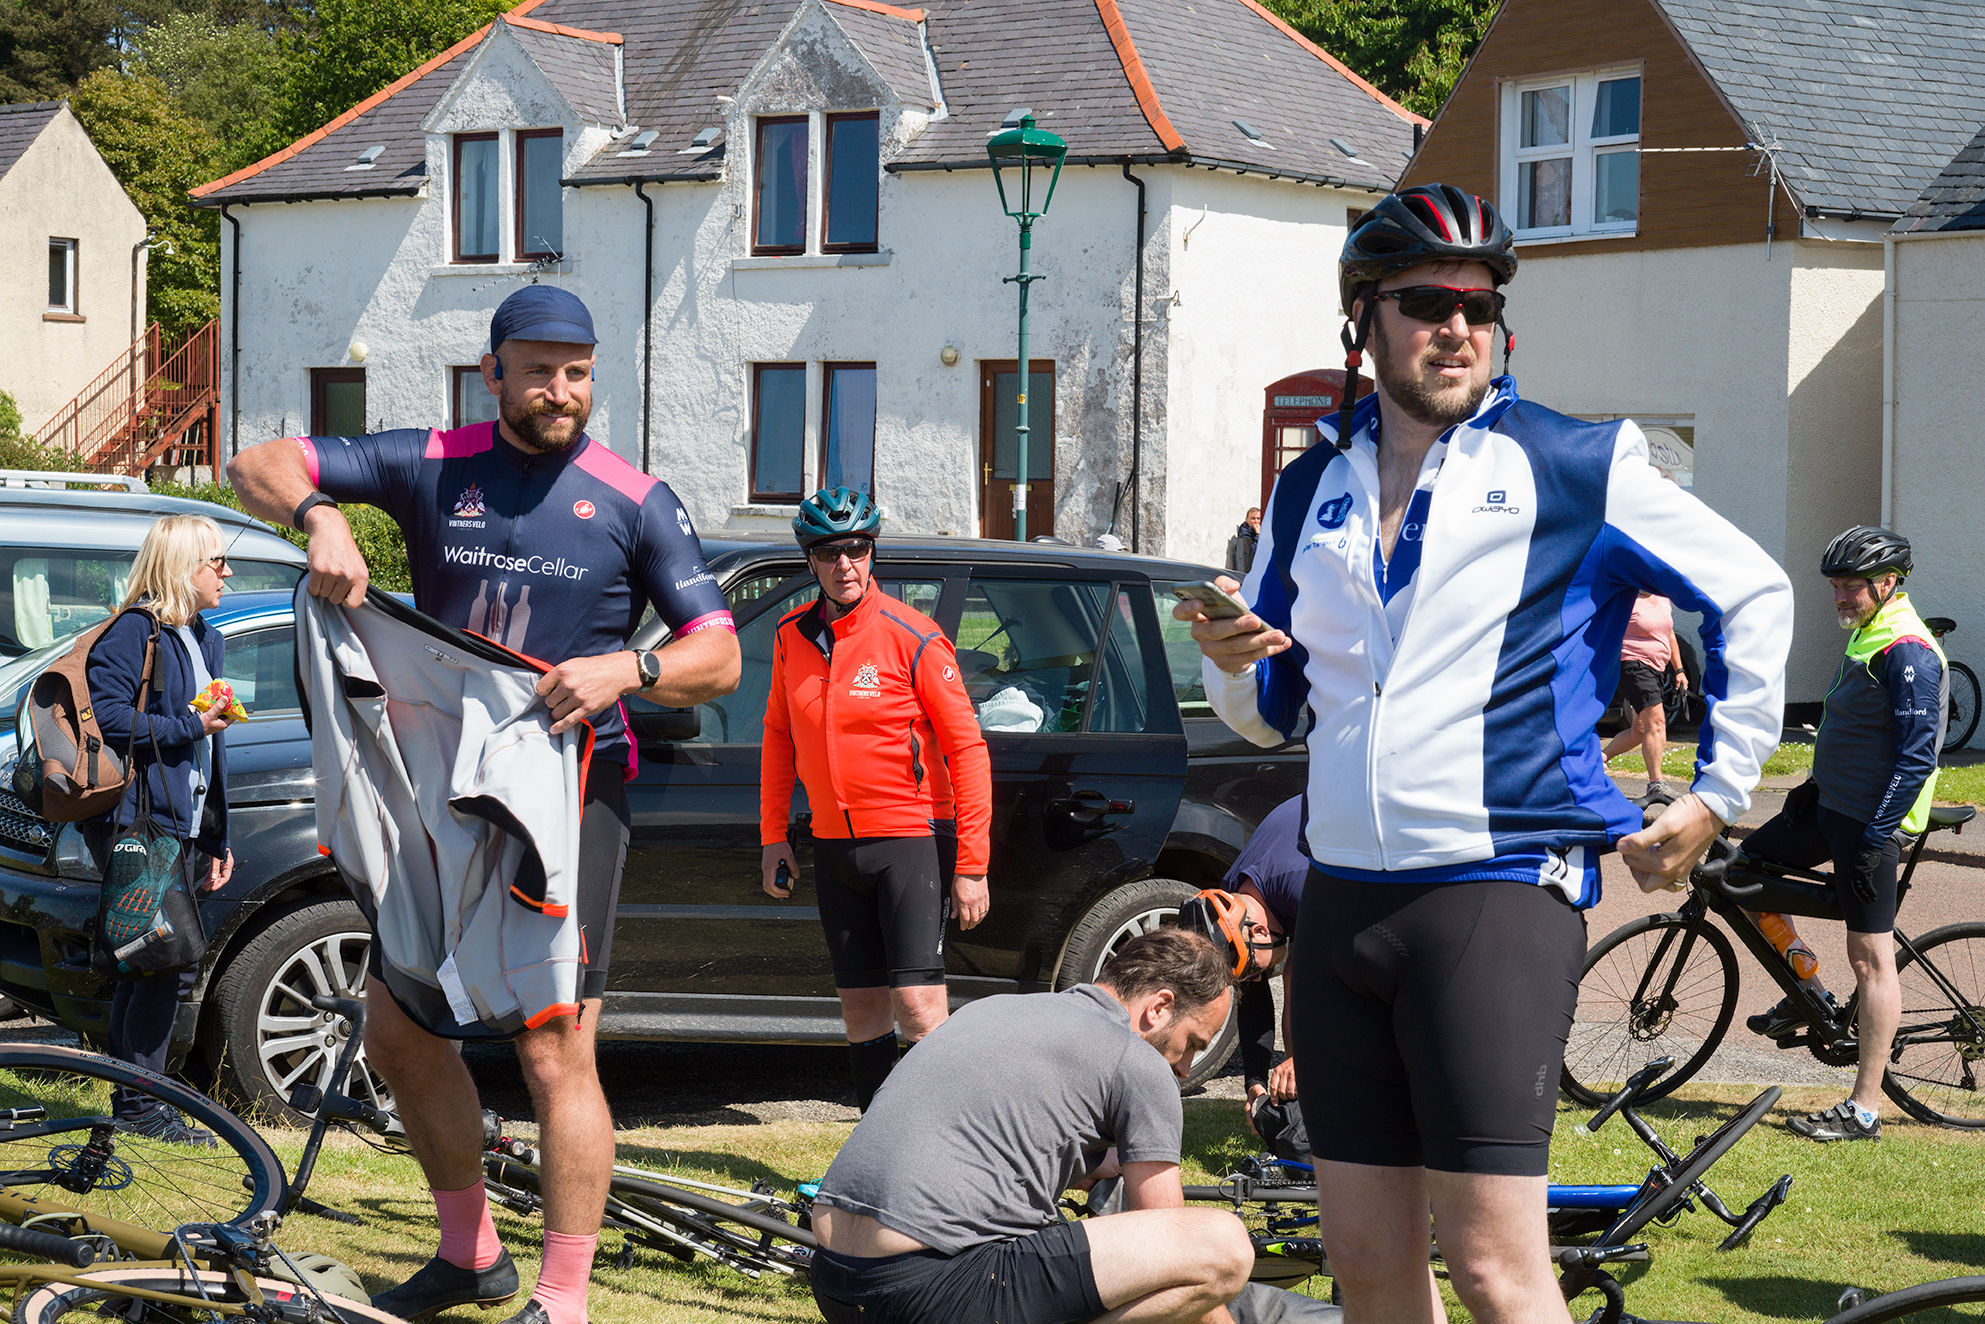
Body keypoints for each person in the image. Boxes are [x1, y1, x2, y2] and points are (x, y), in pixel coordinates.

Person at [1177, 183, 1793, 1323]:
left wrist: (1717, 789)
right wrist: (1225, 655)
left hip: (1494, 894)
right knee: (1363, 1266)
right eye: (1425, 301)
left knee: (1496, 1268)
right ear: (1361, 318)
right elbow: (1267, 710)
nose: (1457, 324)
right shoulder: (1309, 485)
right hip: (1342, 902)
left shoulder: (1573, 461)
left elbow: (1756, 591)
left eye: (1479, 303)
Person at [226, 285, 742, 1324]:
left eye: (579, 371)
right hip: (444, 786)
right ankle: (470, 1256)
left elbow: (719, 655)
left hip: (573, 789)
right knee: (400, 1032)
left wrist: (625, 668)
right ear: (493, 369)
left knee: (553, 1044)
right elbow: (255, 463)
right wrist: (321, 517)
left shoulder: (635, 497)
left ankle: (562, 1299)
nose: (561, 390)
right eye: (541, 369)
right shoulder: (434, 461)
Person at [808, 927, 1252, 1324]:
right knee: (1222, 1246)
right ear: (1159, 1007)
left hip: (832, 1279)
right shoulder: (1137, 1060)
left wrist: (1094, 1166)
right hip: (929, 1290)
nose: (1187, 1066)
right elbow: (1168, 1237)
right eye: (1192, 1043)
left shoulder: (994, 1010)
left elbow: (995, 1138)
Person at [760, 487, 992, 1111]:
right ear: (811, 560)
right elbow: (778, 736)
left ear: (872, 552)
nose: (846, 565)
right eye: (831, 552)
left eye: (858, 549)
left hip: (911, 840)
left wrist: (971, 866)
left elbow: (968, 751)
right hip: (835, 844)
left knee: (918, 1006)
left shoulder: (913, 635)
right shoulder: (790, 636)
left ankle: (942, 1149)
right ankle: (876, 1144)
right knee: (861, 1007)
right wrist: (773, 835)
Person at [1739, 526, 1943, 1143]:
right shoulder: (1868, 632)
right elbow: (1853, 730)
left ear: (1887, 583)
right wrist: (1812, 784)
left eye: (1850, 587)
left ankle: (1864, 1109)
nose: (1839, 597)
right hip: (1831, 807)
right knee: (1742, 875)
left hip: (1871, 825)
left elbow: (1916, 760)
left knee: (1872, 958)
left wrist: (1880, 835)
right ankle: (1808, 990)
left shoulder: (1908, 650)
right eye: (1834, 586)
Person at [86, 513, 237, 1143]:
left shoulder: (204, 635)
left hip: (181, 819)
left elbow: (215, 749)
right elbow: (112, 719)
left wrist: (216, 835)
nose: (227, 573)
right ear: (184, 567)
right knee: (168, 960)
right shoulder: (135, 631)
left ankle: (135, 1097)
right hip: (137, 817)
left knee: (149, 959)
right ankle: (142, 1106)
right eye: (216, 562)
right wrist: (188, 729)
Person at [1177, 796, 1304, 1136]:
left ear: (1261, 932)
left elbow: (1318, 989)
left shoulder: (1303, 888)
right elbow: (1254, 1001)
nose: (1257, 976)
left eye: (1252, 970)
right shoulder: (1235, 898)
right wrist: (1255, 1084)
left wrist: (1301, 1061)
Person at [1600, 592, 1686, 800]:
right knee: (1656, 723)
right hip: (1633, 665)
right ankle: (1657, 783)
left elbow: (1670, 634)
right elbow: (1606, 630)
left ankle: (1598, 760)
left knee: (1639, 730)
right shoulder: (1627, 600)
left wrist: (1679, 670)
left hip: (1657, 668)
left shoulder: (1663, 598)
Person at [1226, 507, 1262, 574]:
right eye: (1253, 518)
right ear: (1247, 520)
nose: (1256, 521)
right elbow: (1255, 550)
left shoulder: (1262, 530)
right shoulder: (1244, 533)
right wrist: (1258, 536)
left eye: (1258, 518)